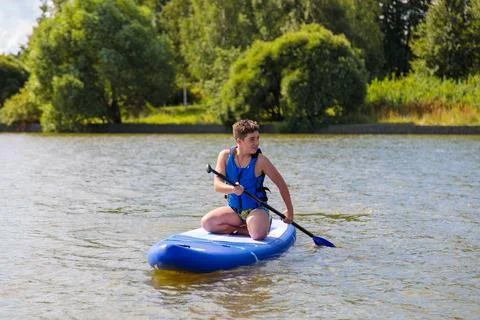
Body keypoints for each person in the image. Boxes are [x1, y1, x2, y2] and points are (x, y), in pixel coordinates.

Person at [201, 119, 294, 240]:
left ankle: (264, 221)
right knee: (207, 223)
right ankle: (241, 229)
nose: (257, 143)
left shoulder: (261, 161)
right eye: (252, 139)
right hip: (234, 210)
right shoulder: (224, 156)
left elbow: (281, 184)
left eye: (257, 138)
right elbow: (217, 185)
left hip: (256, 209)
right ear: (239, 141)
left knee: (257, 235)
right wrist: (233, 189)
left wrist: (289, 211)